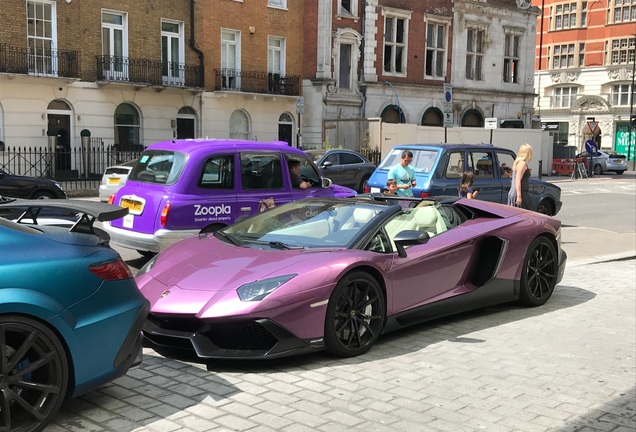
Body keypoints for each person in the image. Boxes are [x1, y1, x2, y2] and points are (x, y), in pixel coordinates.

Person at [507, 143, 533, 209]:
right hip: (520, 192)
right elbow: (518, 180)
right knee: (527, 214)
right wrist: (519, 196)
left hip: (514, 192)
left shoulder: (517, 162)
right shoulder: (522, 164)